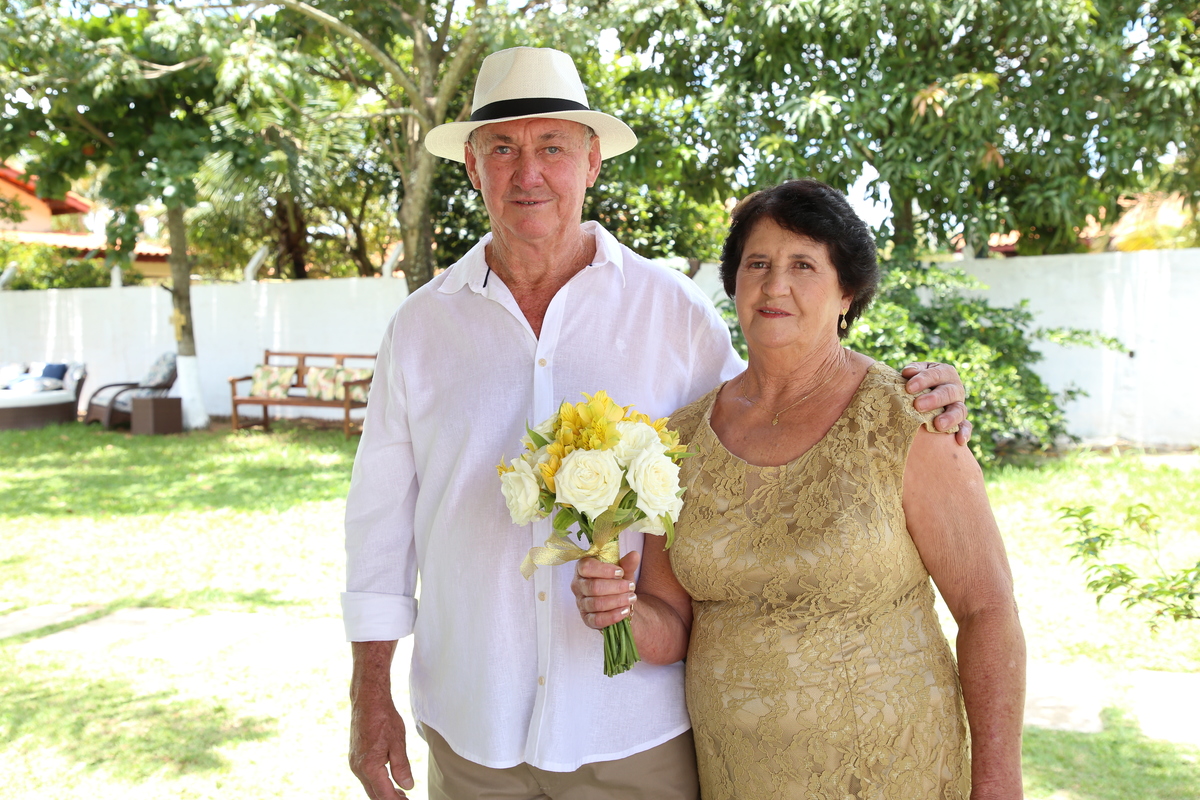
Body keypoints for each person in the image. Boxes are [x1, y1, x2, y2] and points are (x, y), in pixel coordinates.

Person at [344, 48, 972, 800]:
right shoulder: (420, 329)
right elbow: (380, 525)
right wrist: (369, 695)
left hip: (633, 730)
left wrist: (912, 395)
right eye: (502, 149)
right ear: (473, 168)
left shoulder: (673, 313)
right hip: (472, 728)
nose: (528, 173)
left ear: (592, 161)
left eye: (553, 147)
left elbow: (775, 413)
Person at [573, 179, 1026, 799]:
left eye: (804, 265)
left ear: (847, 292)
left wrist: (998, 784)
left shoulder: (906, 417)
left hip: (895, 776)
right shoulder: (679, 440)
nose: (774, 285)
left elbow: (987, 610)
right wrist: (621, 610)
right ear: (734, 283)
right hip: (741, 780)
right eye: (757, 264)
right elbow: (673, 623)